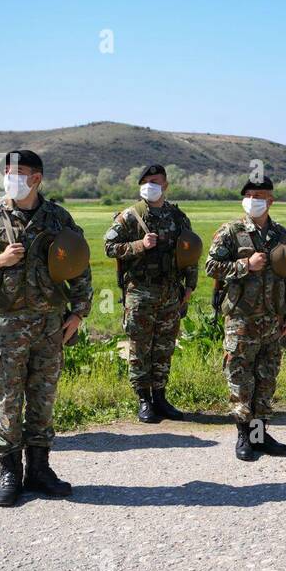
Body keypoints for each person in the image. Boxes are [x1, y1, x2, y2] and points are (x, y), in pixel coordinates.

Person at [0, 150, 92, 507]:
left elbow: (79, 265)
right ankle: (9, 471)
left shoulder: (58, 217)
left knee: (43, 397)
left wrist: (78, 313)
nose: (9, 178)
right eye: (6, 172)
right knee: (7, 396)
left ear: (36, 179)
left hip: (49, 323)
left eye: (18, 173)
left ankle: (40, 469)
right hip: (5, 323)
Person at [204, 175, 286, 461]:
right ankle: (244, 436)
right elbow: (211, 267)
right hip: (241, 320)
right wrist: (246, 264)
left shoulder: (282, 235)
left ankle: (260, 435)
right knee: (240, 378)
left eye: (261, 195)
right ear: (244, 199)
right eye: (251, 195)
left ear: (271, 200)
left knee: (266, 378)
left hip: (273, 319)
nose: (255, 200)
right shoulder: (230, 232)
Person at [104, 164, 197, 423]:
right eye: (145, 181)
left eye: (155, 181)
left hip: (170, 291)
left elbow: (190, 253)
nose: (150, 185)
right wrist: (138, 246)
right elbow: (109, 247)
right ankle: (144, 399)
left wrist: (189, 286)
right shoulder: (130, 216)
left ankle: (161, 397)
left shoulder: (178, 217)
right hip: (140, 292)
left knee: (164, 347)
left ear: (165, 185)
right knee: (140, 347)